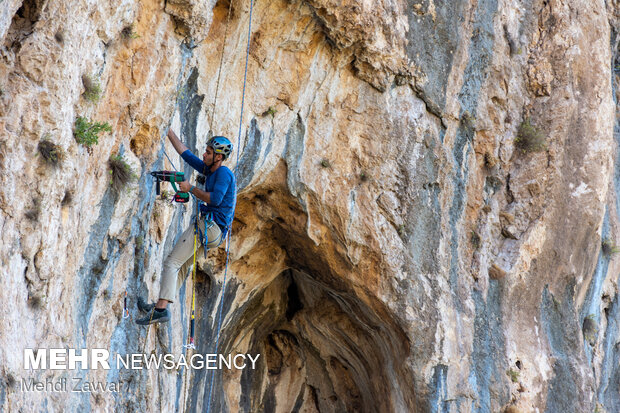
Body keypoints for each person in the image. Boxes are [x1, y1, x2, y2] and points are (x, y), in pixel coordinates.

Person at [136, 128, 236, 325]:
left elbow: (215, 199)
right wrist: (168, 131)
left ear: (218, 157)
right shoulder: (210, 169)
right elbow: (187, 155)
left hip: (210, 227)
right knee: (181, 267)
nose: (204, 154)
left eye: (208, 152)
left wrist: (190, 188)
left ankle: (161, 311)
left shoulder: (223, 173)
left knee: (172, 262)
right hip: (215, 233)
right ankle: (160, 307)